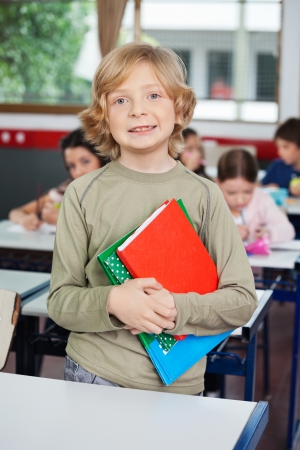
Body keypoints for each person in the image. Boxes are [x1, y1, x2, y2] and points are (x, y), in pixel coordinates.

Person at [47, 42, 257, 395]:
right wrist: (113, 301)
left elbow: (241, 300)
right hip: (95, 374)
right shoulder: (82, 193)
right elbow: (61, 302)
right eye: (120, 100)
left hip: (181, 383)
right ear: (104, 117)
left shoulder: (206, 195)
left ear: (179, 109)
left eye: (154, 95)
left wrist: (176, 307)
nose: (137, 111)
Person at [9, 128, 104, 230]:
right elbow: (16, 212)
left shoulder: (117, 190)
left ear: (102, 158)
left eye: (85, 161)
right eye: (72, 166)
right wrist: (24, 219)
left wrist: (61, 220)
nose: (78, 172)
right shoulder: (66, 190)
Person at [217, 149, 295, 243]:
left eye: (247, 191)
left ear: (255, 183)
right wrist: (226, 234)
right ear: (218, 183)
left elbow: (288, 230)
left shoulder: (261, 199)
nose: (240, 200)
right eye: (231, 192)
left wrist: (269, 232)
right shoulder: (208, 202)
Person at [262, 118, 300, 196]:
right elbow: (260, 186)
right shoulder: (277, 166)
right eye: (278, 147)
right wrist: (267, 188)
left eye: (285, 147)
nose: (280, 152)